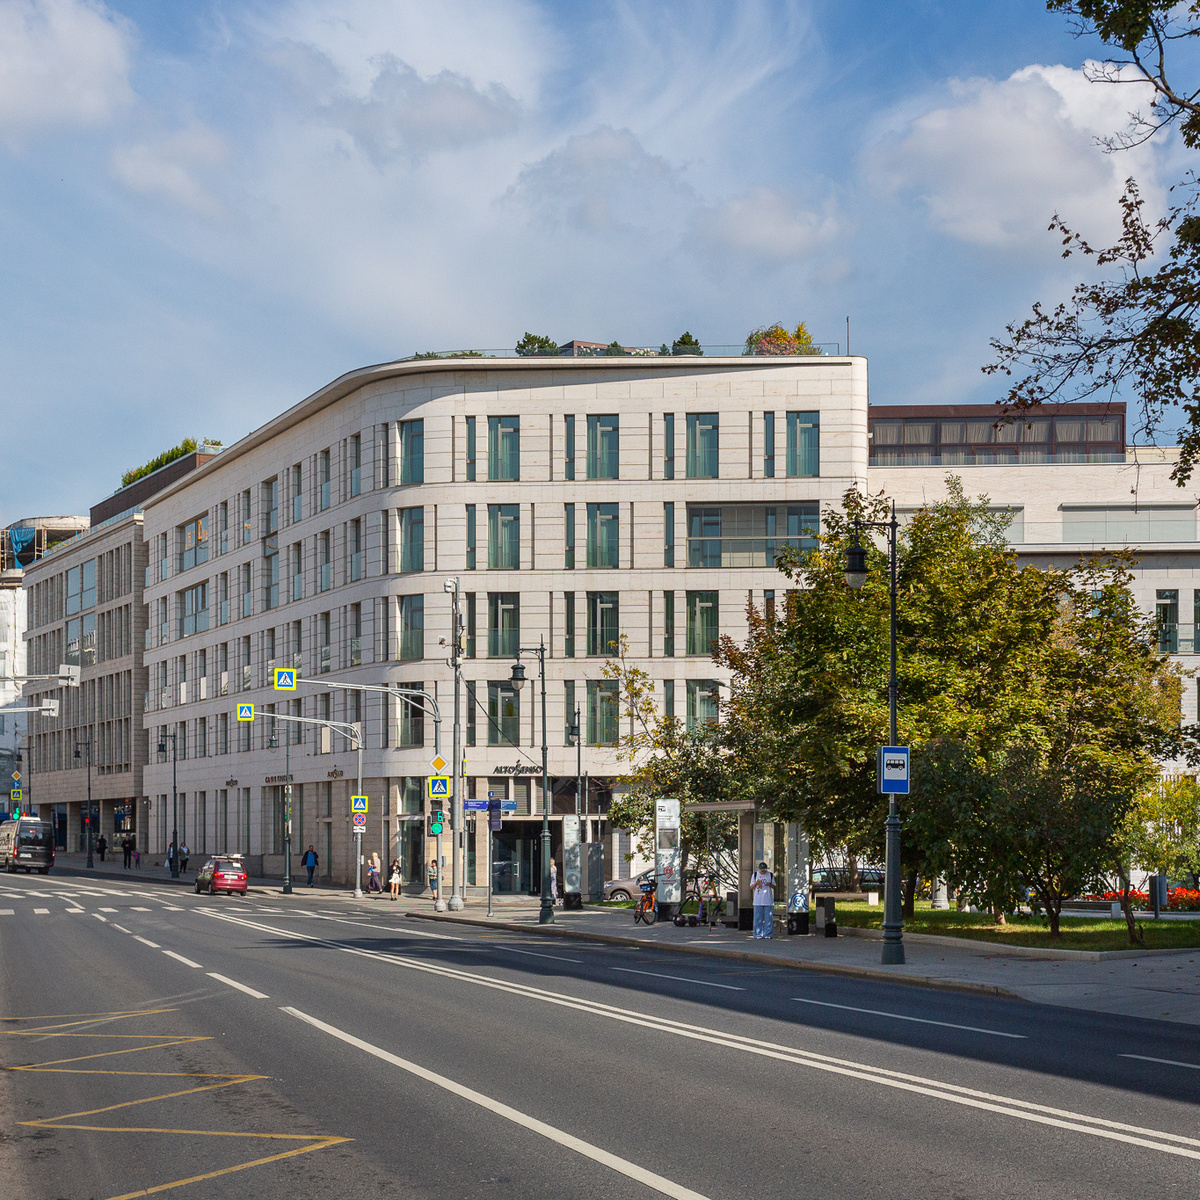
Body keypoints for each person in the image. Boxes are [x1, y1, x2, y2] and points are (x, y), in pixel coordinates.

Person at [751, 860, 776, 939]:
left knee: (768, 918)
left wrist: (770, 884)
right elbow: (751, 887)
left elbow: (774, 886)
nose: (763, 872)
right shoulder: (755, 875)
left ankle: (768, 934)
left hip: (768, 900)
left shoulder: (770, 875)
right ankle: (758, 934)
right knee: (758, 918)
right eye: (761, 870)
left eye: (764, 870)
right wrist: (756, 883)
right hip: (758, 900)